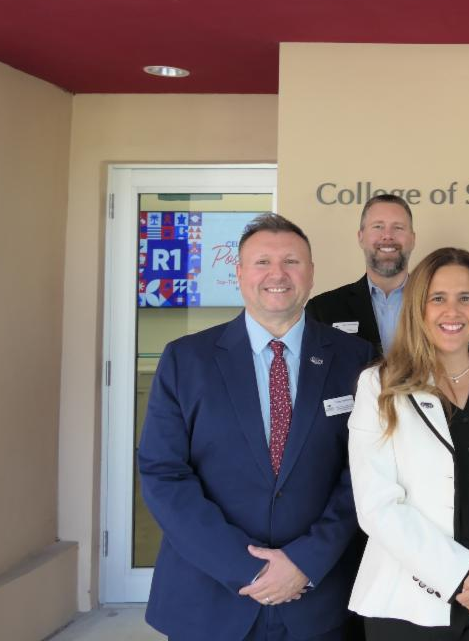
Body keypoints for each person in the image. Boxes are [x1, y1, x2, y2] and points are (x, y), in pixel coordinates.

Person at [138, 213, 372, 641]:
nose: (277, 274)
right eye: (262, 262)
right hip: (210, 598)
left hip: (319, 600)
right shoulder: (185, 360)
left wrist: (304, 562)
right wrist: (249, 567)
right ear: (240, 273)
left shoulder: (356, 358)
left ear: (312, 273)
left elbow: (364, 474)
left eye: (292, 261)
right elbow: (163, 474)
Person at [347, 247, 469, 640]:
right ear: (417, 309)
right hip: (410, 601)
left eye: (465, 298)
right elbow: (376, 504)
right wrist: (459, 576)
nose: (452, 311)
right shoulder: (379, 386)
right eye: (437, 298)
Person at [307, 194, 417, 357]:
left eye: (398, 227)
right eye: (378, 226)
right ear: (360, 237)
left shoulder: (438, 305)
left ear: (413, 239)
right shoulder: (322, 310)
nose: (387, 235)